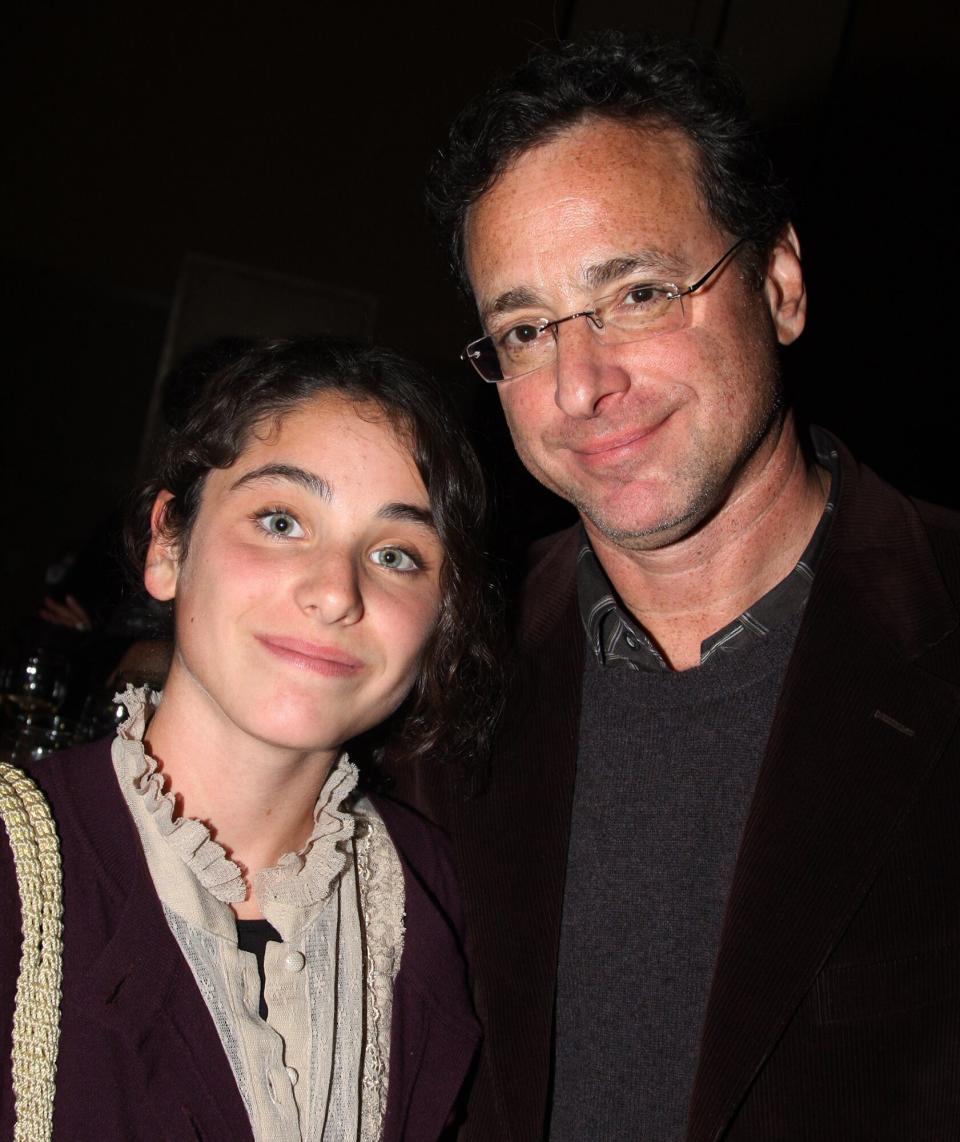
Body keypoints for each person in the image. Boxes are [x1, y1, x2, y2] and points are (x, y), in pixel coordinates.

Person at [409, 30, 960, 1141]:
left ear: (782, 283)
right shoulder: (444, 672)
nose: (583, 382)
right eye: (525, 329)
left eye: (639, 293)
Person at [0, 337, 501, 1141]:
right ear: (169, 545)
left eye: (395, 553)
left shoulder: (442, 901)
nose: (337, 591)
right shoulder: (16, 869)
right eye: (280, 520)